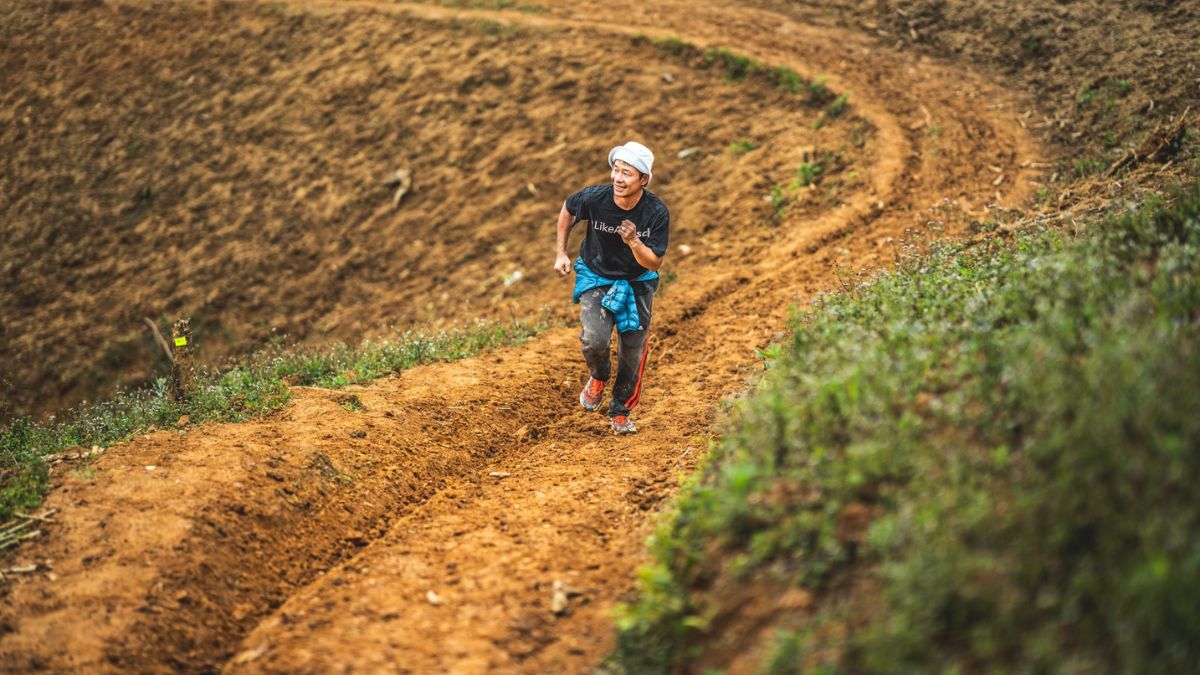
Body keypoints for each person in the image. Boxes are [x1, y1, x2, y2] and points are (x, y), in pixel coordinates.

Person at [553, 141, 670, 434]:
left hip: (637, 282)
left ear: (643, 179)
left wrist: (634, 242)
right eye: (616, 170)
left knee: (633, 351)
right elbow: (568, 210)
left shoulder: (656, 212)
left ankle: (620, 411)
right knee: (594, 339)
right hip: (597, 276)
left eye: (626, 173)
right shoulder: (594, 199)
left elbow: (654, 262)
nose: (618, 178)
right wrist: (561, 253)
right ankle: (598, 376)